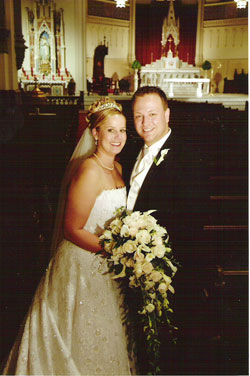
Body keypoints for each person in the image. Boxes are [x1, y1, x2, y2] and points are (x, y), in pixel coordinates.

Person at [2, 97, 132, 375]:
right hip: (83, 266)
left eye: (122, 130)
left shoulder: (119, 169)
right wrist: (113, 248)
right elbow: (71, 229)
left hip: (110, 267)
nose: (118, 137)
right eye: (111, 130)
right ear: (95, 133)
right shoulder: (88, 170)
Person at [123, 86, 208, 375]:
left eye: (152, 115)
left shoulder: (188, 157)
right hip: (136, 269)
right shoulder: (131, 151)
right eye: (138, 116)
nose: (145, 123)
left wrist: (154, 261)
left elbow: (191, 223)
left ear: (167, 114)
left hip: (168, 276)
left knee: (170, 352)